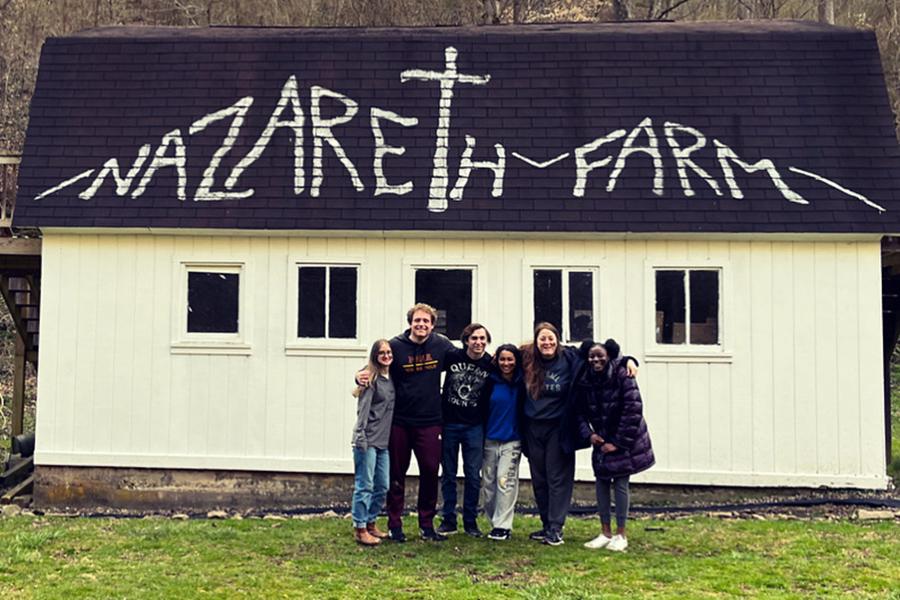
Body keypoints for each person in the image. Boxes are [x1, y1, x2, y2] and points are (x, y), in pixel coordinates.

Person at [520, 322, 637, 546]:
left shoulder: (571, 357)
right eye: (542, 339)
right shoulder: (527, 359)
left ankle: (556, 528)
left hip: (559, 427)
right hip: (532, 427)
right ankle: (546, 525)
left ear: (558, 339)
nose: (547, 342)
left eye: (550, 338)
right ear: (536, 342)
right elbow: (504, 358)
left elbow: (601, 357)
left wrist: (629, 360)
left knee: (557, 478)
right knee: (540, 479)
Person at [357, 303, 455, 542]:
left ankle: (426, 524)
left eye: (426, 322)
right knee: (396, 474)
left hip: (431, 421)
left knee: (431, 472)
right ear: (410, 322)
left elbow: (466, 359)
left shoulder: (441, 345)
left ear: (432, 325)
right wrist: (358, 376)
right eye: (417, 321)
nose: (421, 325)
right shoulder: (396, 346)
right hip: (399, 421)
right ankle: (394, 524)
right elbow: (375, 364)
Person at [575, 340, 655, 552]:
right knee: (601, 483)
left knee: (620, 483)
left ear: (609, 355)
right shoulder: (584, 378)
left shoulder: (624, 375)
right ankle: (605, 532)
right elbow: (579, 411)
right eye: (592, 356)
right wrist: (589, 434)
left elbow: (633, 410)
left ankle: (621, 534)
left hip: (626, 439)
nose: (596, 360)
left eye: (600, 356)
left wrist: (617, 443)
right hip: (600, 439)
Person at [437, 323, 493, 538]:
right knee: (449, 473)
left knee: (473, 475)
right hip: (450, 423)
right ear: (466, 341)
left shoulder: (491, 363)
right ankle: (448, 519)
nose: (478, 342)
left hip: (475, 426)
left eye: (482, 338)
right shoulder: (452, 357)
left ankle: (470, 521)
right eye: (474, 338)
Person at [350, 339, 395, 546]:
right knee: (364, 485)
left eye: (389, 352)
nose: (386, 356)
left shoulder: (392, 377)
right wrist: (360, 437)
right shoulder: (371, 379)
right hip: (367, 440)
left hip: (383, 442)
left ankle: (371, 522)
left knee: (382, 484)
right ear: (375, 356)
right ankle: (359, 528)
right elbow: (363, 410)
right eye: (381, 353)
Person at [479, 343, 525, 541]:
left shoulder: (522, 382)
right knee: (488, 484)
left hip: (512, 441)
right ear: (496, 361)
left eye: (510, 359)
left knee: (504, 481)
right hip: (489, 439)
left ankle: (503, 526)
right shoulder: (490, 382)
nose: (506, 363)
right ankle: (493, 522)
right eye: (502, 359)